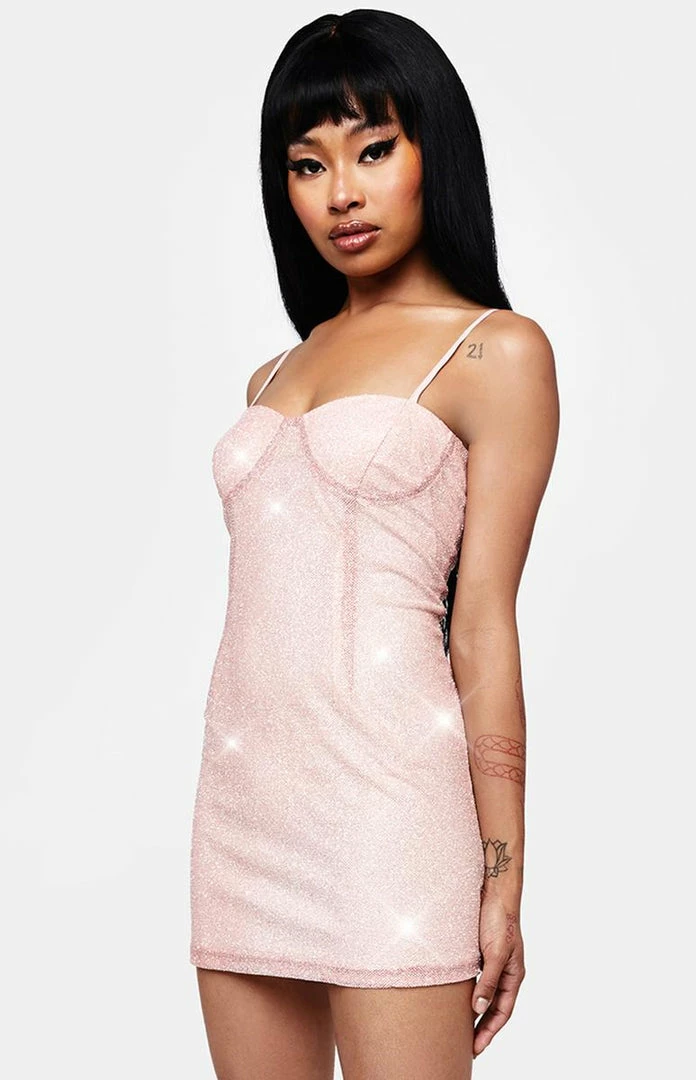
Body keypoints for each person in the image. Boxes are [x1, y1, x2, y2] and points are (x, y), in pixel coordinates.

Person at [189, 10, 559, 1077]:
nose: (340, 193)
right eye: (307, 164)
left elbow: (481, 626)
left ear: (434, 151)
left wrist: (502, 876)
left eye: (374, 149)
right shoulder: (270, 376)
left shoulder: (495, 352)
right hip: (243, 814)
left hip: (391, 812)